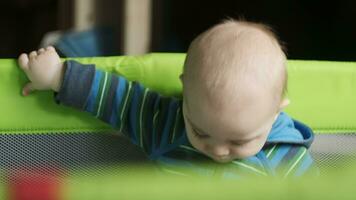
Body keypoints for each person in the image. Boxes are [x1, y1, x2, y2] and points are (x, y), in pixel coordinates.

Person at [17, 19, 318, 178]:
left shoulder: (285, 155)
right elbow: (115, 97)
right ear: (185, 92)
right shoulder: (168, 124)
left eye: (240, 142)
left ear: (275, 113)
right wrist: (58, 77)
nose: (218, 149)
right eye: (200, 131)